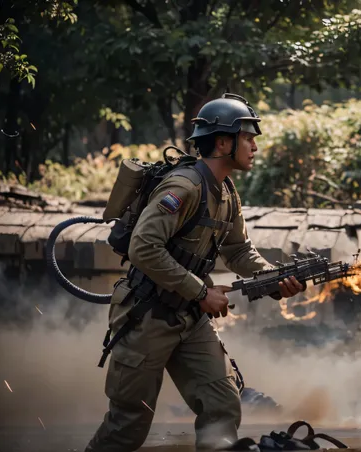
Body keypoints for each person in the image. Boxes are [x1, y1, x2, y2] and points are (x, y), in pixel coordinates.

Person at [85, 94, 305, 452]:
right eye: (248, 137)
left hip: (189, 317)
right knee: (128, 425)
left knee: (222, 408)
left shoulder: (228, 192)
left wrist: (273, 279)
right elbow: (144, 247)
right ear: (222, 142)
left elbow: (238, 250)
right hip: (146, 315)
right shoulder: (183, 187)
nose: (255, 146)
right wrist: (202, 293)